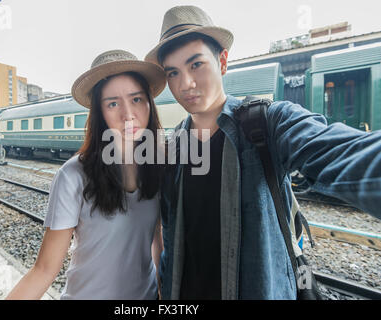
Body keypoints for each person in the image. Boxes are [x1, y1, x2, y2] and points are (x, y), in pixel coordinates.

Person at [145, 5, 381, 299]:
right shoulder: (174, 148)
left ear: (222, 62)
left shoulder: (266, 122)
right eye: (173, 73)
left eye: (196, 65)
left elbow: (342, 152)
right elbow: (171, 238)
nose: (186, 84)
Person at [6, 50, 166, 299]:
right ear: (99, 113)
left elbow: (156, 238)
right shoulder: (73, 175)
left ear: (149, 103)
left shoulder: (157, 166)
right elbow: (44, 270)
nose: (128, 114)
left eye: (136, 99)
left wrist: (163, 291)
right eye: (113, 103)